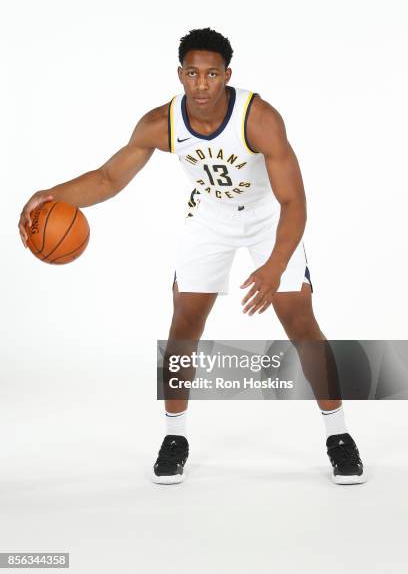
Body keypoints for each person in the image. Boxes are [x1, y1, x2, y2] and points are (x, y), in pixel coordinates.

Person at [18, 27, 365, 486]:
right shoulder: (159, 124)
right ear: (180, 74)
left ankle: (339, 436)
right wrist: (51, 194)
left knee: (300, 323)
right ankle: (175, 437)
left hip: (268, 217)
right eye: (193, 73)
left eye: (212, 74)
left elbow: (294, 202)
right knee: (184, 326)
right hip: (209, 218)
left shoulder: (258, 118)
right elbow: (107, 179)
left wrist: (275, 265)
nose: (202, 84)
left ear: (227, 76)